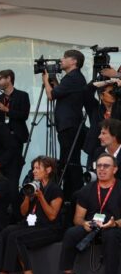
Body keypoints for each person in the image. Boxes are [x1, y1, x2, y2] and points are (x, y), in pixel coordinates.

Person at [0, 156, 64, 274]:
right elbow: (23, 213)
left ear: (48, 170)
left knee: (16, 237)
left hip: (49, 228)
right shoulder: (33, 186)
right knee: (6, 232)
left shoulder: (55, 190)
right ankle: (4, 273)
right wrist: (27, 198)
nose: (34, 171)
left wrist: (41, 197)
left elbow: (52, 216)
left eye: (37, 168)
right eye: (33, 168)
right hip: (31, 224)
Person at [57, 153, 121, 274]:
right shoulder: (87, 189)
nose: (101, 169)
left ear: (115, 169)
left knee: (111, 235)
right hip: (92, 226)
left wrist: (114, 223)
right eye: (99, 166)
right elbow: (77, 218)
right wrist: (85, 223)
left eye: (106, 166)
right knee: (71, 233)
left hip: (114, 226)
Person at [43, 49, 88, 201]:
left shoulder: (73, 77)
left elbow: (51, 95)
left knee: (69, 162)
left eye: (65, 57)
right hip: (68, 125)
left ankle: (73, 197)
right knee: (67, 161)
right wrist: (54, 81)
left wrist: (45, 80)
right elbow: (60, 92)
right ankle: (70, 196)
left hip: (69, 126)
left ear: (74, 61)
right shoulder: (71, 78)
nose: (61, 60)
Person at [0, 69, 30, 202]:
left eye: (0, 78)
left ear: (9, 79)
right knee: (2, 172)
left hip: (17, 138)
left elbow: (24, 115)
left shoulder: (22, 95)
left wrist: (7, 110)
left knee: (13, 171)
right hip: (2, 141)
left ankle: (14, 207)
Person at [84, 82, 121, 158]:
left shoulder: (119, 108)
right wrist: (104, 82)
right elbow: (85, 92)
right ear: (101, 95)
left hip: (115, 149)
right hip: (95, 149)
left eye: (114, 92)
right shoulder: (95, 109)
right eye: (110, 92)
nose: (113, 95)